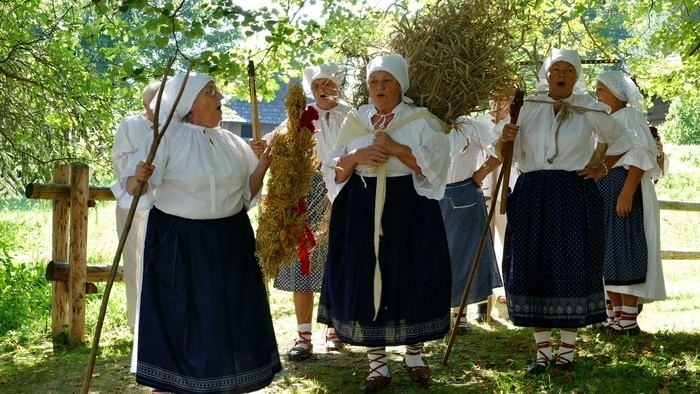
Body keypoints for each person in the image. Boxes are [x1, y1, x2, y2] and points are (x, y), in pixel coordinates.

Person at [122, 72, 281, 393]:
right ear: (189, 105)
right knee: (182, 318)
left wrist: (261, 167)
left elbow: (245, 196)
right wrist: (137, 177)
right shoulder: (167, 139)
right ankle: (169, 386)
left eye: (217, 90)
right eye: (210, 92)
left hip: (229, 239)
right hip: (179, 242)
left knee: (228, 316)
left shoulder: (232, 143)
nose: (220, 96)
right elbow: (133, 187)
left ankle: (222, 383)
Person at [317, 54, 452, 391]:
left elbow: (435, 166)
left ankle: (415, 355)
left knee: (413, 274)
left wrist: (395, 148)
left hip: (409, 207)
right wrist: (356, 157)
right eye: (373, 82)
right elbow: (332, 168)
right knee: (364, 275)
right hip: (359, 207)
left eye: (386, 81)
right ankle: (377, 365)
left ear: (400, 86)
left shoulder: (421, 120)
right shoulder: (356, 120)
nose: (379, 87)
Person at [498, 48, 633, 374]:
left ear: (576, 76)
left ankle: (567, 353)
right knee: (531, 268)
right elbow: (503, 150)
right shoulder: (528, 107)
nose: (561, 75)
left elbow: (624, 139)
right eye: (556, 69)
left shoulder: (588, 106)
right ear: (546, 74)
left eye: (568, 70)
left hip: (573, 194)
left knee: (572, 266)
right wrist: (506, 136)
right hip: (532, 193)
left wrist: (602, 168)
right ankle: (543, 354)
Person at [262, 63, 352, 360]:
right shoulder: (297, 119)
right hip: (306, 195)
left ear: (338, 85)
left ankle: (335, 329)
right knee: (304, 264)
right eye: (316, 86)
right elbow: (270, 146)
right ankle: (303, 336)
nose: (322, 90)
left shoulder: (353, 117)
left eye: (328, 84)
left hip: (344, 194)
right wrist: (259, 147)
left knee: (338, 263)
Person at [594, 70, 667, 334]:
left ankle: (628, 319)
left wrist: (626, 192)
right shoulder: (609, 119)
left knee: (625, 247)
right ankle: (615, 317)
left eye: (601, 90)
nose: (596, 94)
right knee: (609, 251)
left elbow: (639, 153)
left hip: (623, 189)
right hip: (606, 189)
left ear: (615, 94)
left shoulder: (630, 117)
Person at [440, 111, 503, 333]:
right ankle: (438, 312)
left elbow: (500, 151)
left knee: (461, 254)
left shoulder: (472, 126)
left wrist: (479, 174)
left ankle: (460, 314)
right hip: (430, 196)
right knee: (436, 255)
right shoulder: (428, 121)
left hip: (463, 194)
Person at [110, 81, 160, 330]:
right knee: (135, 263)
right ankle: (138, 324)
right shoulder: (131, 125)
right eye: (154, 103)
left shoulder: (175, 127)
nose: (158, 108)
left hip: (161, 206)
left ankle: (160, 323)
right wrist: (142, 165)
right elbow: (119, 160)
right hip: (133, 204)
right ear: (145, 105)